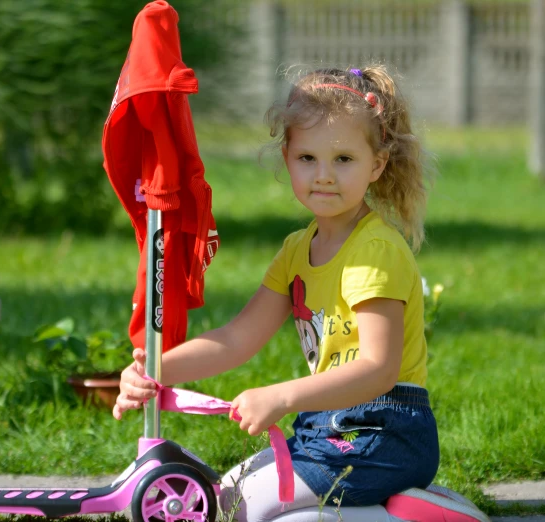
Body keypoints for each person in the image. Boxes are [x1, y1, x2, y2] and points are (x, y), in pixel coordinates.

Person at [113, 65, 490, 522]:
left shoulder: (375, 251)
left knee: (249, 512)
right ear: (287, 157)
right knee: (221, 502)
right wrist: (156, 369)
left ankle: (410, 517)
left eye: (344, 159)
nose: (324, 175)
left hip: (385, 433)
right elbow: (238, 338)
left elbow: (378, 369)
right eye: (307, 158)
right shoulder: (297, 250)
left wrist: (283, 396)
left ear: (378, 164)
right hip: (324, 429)